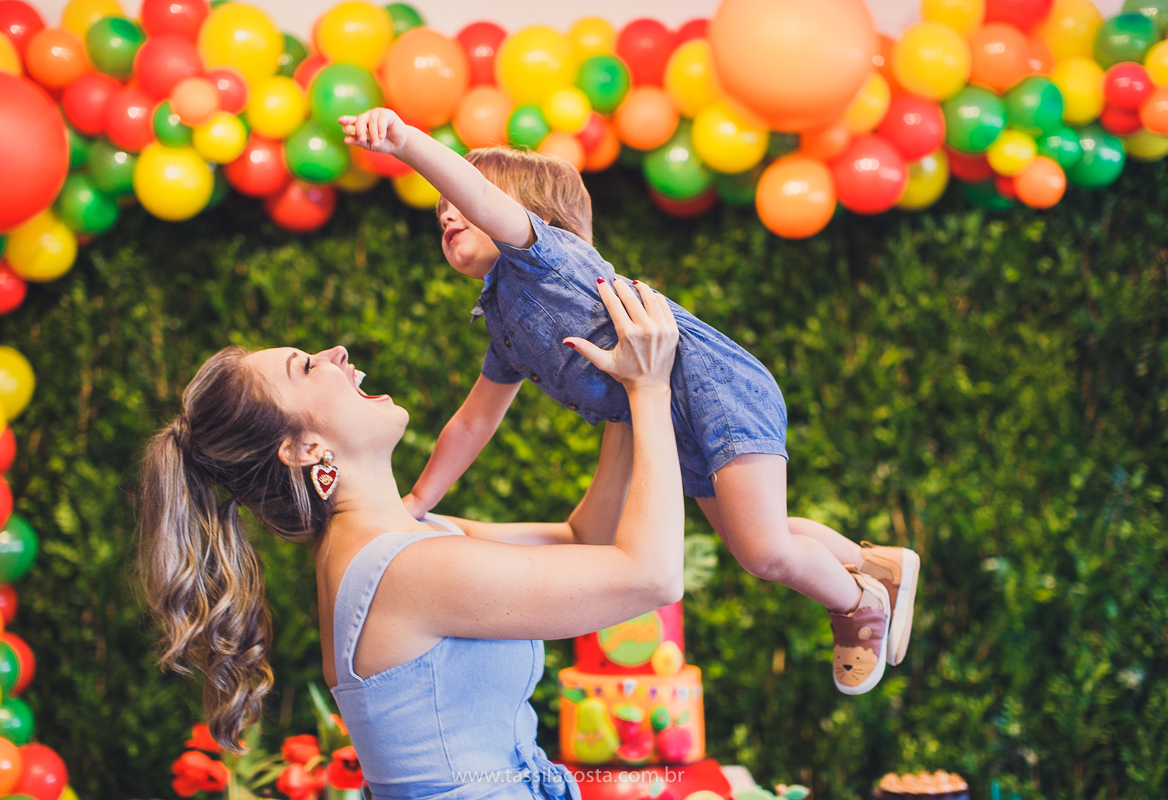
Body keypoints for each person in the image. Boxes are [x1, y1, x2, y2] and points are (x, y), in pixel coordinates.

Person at [339, 107, 921, 695]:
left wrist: (407, 144)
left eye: (457, 201)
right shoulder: (503, 324)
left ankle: (858, 604)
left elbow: (484, 202)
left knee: (763, 552)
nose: (446, 213)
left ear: (527, 212)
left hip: (714, 389)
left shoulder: (546, 258)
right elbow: (472, 422)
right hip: (670, 421)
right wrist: (415, 501)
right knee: (756, 536)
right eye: (440, 212)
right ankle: (877, 564)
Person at [137, 278, 685, 800]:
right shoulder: (405, 571)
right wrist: (649, 388)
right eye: (306, 366)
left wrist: (622, 402)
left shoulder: (410, 538)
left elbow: (583, 538)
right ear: (303, 448)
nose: (336, 353)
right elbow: (652, 576)